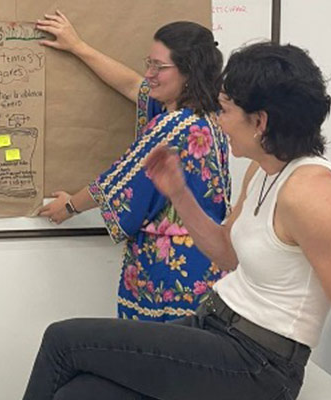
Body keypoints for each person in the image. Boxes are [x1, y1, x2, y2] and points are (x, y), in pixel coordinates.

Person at [22, 42, 331, 400]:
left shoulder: (312, 198)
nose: (219, 122)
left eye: (225, 110)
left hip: (258, 365)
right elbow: (227, 254)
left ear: (260, 121)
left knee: (63, 341)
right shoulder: (263, 168)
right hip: (214, 325)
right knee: (79, 392)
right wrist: (179, 194)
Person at [35, 12, 230, 321]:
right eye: (149, 62)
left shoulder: (173, 126)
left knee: (155, 358)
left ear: (189, 72)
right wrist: (77, 46)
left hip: (171, 273)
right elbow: (130, 84)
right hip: (203, 267)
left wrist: (70, 206)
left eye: (160, 67)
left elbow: (120, 179)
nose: (150, 73)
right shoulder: (210, 115)